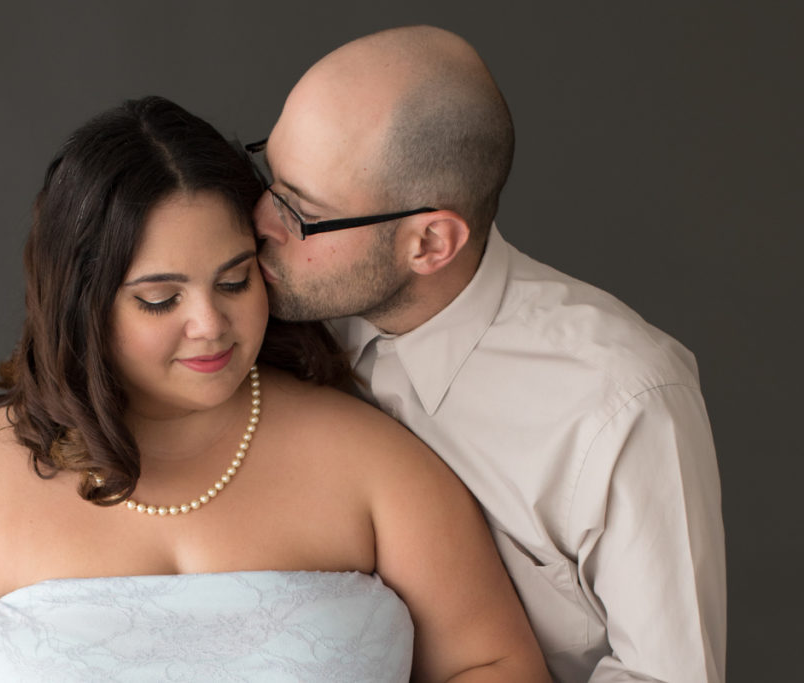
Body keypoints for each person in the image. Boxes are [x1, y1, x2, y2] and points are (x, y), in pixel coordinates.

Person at [0, 96, 548, 682]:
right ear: (83, 304)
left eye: (234, 280)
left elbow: (494, 662)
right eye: (160, 298)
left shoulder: (374, 462)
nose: (210, 325)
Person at [250, 25, 725, 682]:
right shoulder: (260, 325)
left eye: (299, 212)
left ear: (429, 244)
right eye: (269, 177)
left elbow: (667, 675)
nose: (259, 223)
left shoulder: (622, 403)